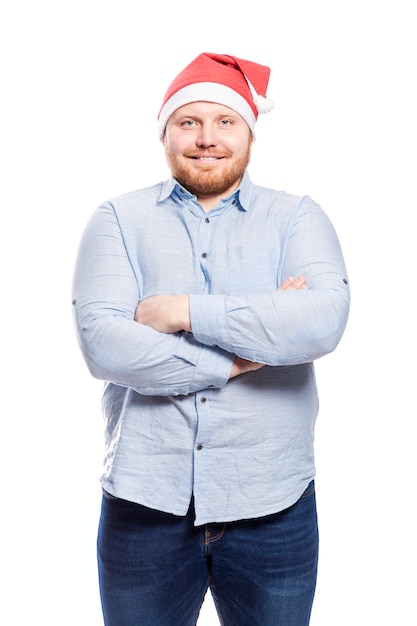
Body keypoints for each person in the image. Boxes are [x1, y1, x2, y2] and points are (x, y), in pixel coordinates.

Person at [72, 52, 350, 626]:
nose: (206, 139)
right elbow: (104, 344)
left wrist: (181, 311)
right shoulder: (117, 219)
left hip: (274, 504)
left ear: (249, 132)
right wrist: (238, 359)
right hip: (144, 506)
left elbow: (321, 322)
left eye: (225, 121)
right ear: (165, 132)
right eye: (188, 122)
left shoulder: (297, 218)